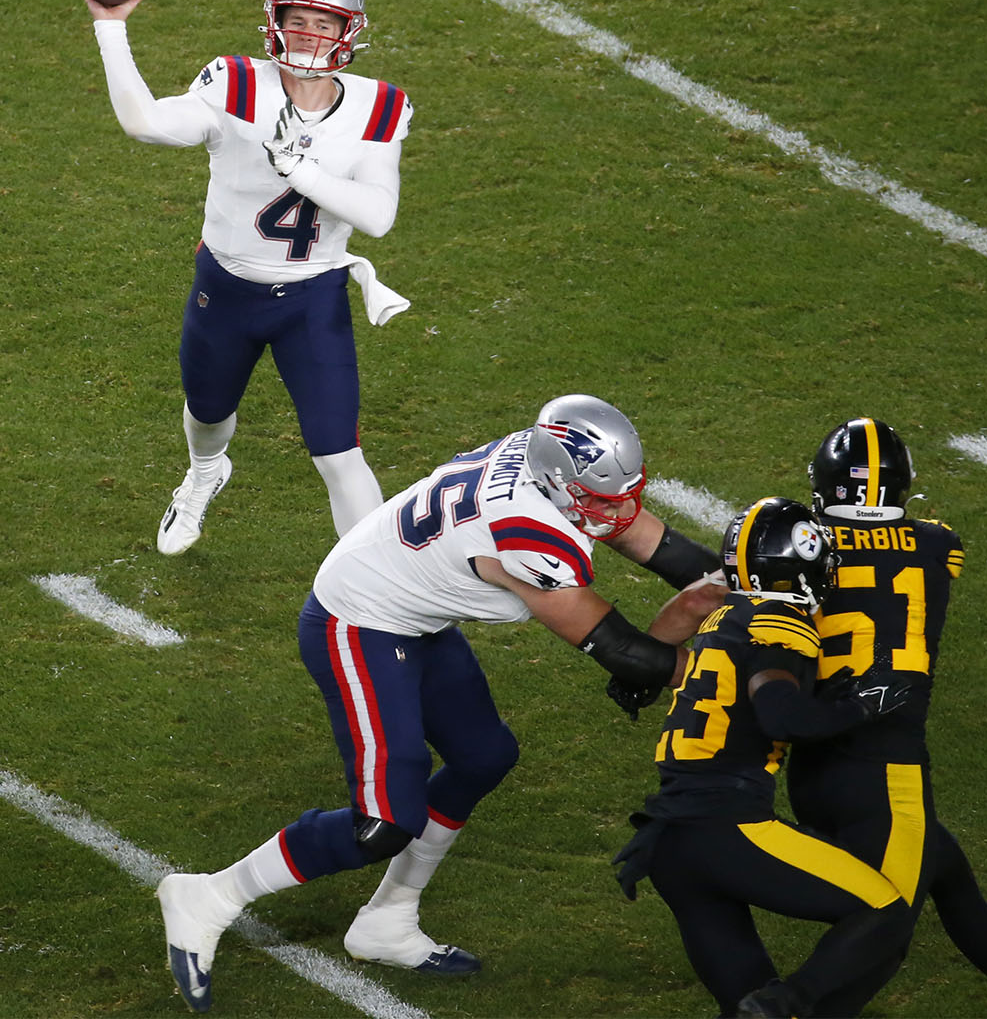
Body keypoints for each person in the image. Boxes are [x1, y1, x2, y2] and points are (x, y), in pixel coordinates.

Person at [153, 394, 726, 1013]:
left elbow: (665, 552)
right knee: (382, 824)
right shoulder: (528, 533)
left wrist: (760, 586)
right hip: (359, 621)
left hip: (412, 609)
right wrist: (734, 672)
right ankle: (209, 896)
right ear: (560, 483)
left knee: (483, 756)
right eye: (602, 498)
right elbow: (624, 652)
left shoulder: (544, 469)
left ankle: (388, 919)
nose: (620, 510)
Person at [81, 0, 414, 554]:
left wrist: (299, 168)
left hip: (313, 296)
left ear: (349, 32)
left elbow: (378, 216)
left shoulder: (379, 106)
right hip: (228, 289)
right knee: (207, 415)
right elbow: (146, 123)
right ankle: (205, 473)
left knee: (340, 453)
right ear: (276, 21)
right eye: (299, 18)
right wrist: (111, 26)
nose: (311, 32)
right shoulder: (234, 83)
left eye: (324, 22)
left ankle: (381, 585)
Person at [786, 417, 987, 1019]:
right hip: (888, 768)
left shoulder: (804, 541)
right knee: (884, 931)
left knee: (950, 878)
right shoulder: (938, 543)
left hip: (814, 755)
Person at [613, 496, 919, 1019]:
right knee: (885, 911)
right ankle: (791, 1001)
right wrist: (861, 706)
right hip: (728, 827)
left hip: (669, 843)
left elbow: (696, 618)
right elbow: (781, 717)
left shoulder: (724, 613)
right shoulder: (784, 622)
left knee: (743, 1009)